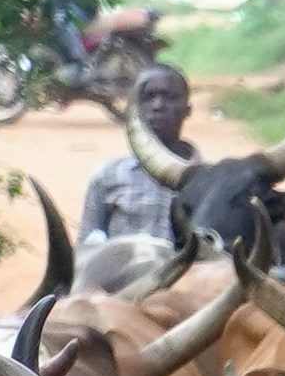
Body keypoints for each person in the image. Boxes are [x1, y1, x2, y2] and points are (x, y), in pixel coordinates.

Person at [82, 61, 202, 242]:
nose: (158, 105)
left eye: (169, 97)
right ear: (133, 110)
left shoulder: (208, 181)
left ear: (187, 110)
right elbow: (86, 249)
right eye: (148, 97)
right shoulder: (108, 176)